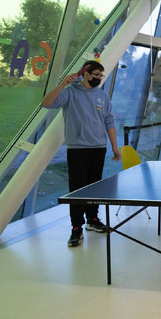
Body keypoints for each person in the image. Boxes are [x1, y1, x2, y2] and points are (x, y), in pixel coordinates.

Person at [41, 61, 121, 247]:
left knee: (94, 187)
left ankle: (92, 219)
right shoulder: (70, 93)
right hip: (78, 149)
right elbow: (46, 103)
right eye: (96, 75)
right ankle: (76, 228)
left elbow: (109, 121)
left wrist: (114, 147)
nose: (99, 79)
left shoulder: (102, 96)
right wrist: (62, 84)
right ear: (85, 74)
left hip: (98, 148)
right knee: (77, 190)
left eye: (101, 76)